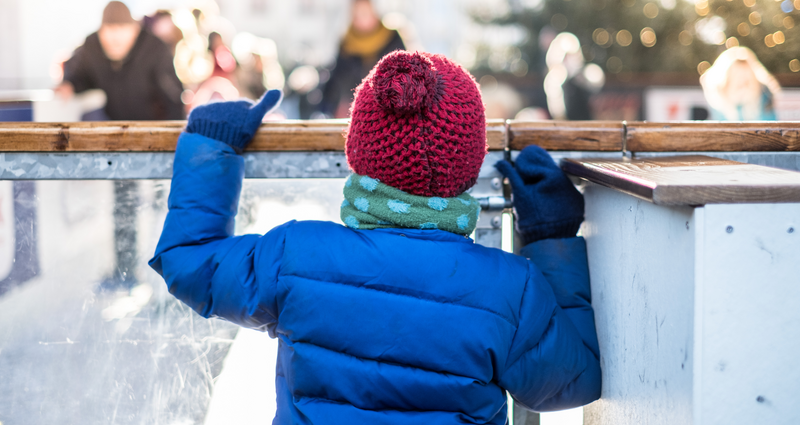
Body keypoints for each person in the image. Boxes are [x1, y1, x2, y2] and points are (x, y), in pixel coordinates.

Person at [150, 50, 601, 423]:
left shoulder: (295, 257)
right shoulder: (509, 289)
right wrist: (551, 235)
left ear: (358, 151)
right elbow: (572, 380)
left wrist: (211, 143)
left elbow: (190, 261)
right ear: (470, 160)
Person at [58, 1, 185, 290]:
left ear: (134, 30)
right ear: (101, 32)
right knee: (123, 207)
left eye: (121, 33)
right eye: (108, 34)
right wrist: (68, 84)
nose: (114, 41)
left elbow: (172, 96)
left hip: (157, 140)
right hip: (120, 140)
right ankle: (125, 273)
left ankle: (168, 277)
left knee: (162, 205)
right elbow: (78, 72)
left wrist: (174, 144)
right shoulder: (92, 46)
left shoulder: (154, 48)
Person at [322, 0, 405, 117]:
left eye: (365, 12)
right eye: (358, 14)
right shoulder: (346, 43)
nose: (362, 18)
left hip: (388, 111)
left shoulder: (392, 38)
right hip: (352, 112)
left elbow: (403, 75)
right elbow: (337, 80)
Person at [700, 46, 781, 121]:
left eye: (747, 82)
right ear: (726, 81)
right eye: (737, 82)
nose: (743, 86)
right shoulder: (718, 100)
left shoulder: (765, 98)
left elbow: (770, 127)